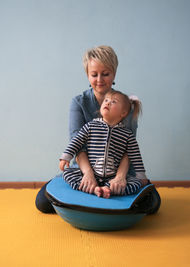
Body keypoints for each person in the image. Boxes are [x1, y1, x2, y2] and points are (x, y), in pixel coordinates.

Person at [35, 45, 160, 213]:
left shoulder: (125, 104)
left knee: (153, 204)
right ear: (88, 75)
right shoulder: (79, 103)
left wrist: (120, 177)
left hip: (117, 171)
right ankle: (95, 193)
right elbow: (77, 143)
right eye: (94, 74)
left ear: (114, 74)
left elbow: (129, 149)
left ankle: (105, 193)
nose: (99, 79)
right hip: (83, 168)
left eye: (105, 74)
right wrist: (88, 174)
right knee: (42, 203)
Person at [59, 91, 144, 198]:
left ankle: (107, 189)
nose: (108, 103)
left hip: (113, 177)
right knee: (67, 174)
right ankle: (95, 189)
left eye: (114, 102)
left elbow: (135, 155)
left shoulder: (127, 135)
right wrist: (66, 156)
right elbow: (77, 141)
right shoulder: (90, 126)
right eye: (106, 100)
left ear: (123, 113)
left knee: (135, 183)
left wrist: (141, 175)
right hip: (91, 173)